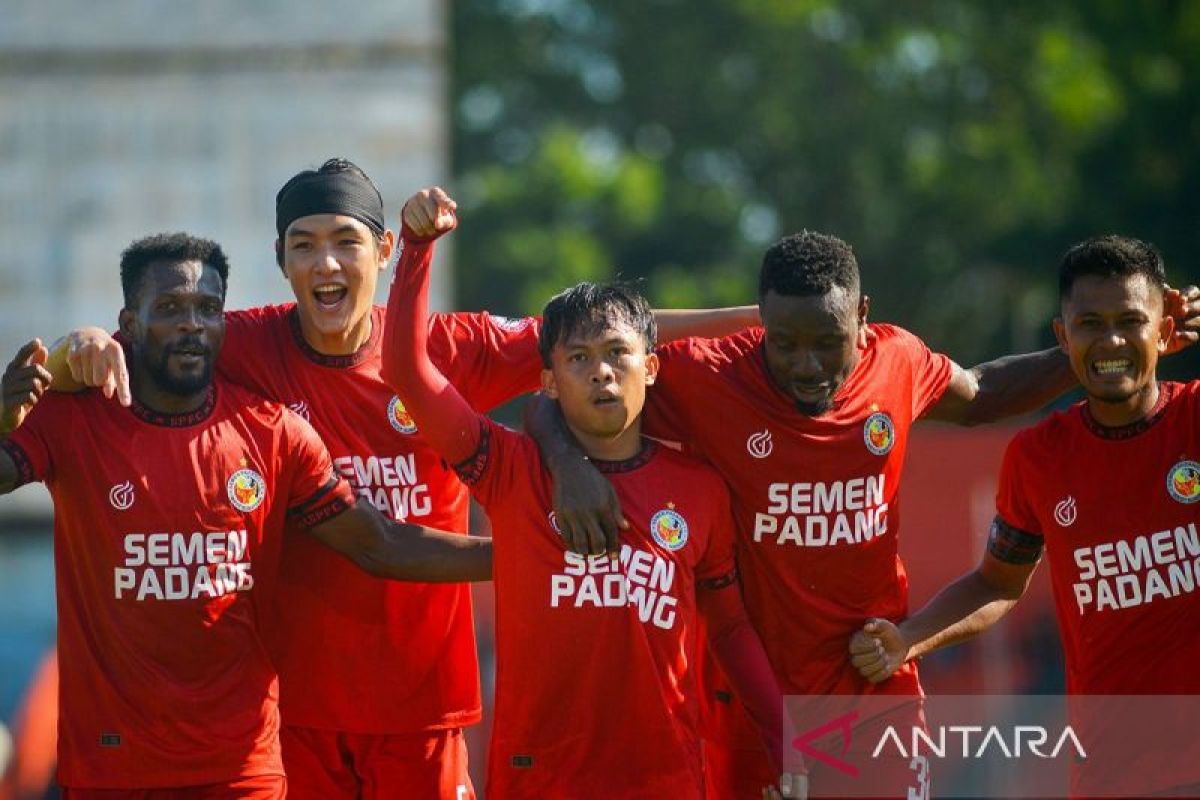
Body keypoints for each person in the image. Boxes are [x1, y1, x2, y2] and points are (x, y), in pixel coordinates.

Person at [51, 159, 761, 799]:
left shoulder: (450, 347)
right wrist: (73, 346)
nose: (326, 261)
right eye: (304, 245)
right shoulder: (241, 346)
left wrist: (767, 323)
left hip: (426, 704)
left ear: (384, 252)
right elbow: (143, 341)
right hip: (296, 709)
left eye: (346, 241)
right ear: (282, 261)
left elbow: (601, 341)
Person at [529, 229, 1200, 799]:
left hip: (873, 686)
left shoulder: (897, 360)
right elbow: (549, 381)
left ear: (863, 320)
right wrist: (567, 463)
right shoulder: (705, 376)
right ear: (760, 323)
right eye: (784, 341)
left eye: (827, 341)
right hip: (748, 702)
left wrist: (1104, 348)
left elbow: (986, 391)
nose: (806, 364)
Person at [0, 233, 492, 798]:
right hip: (113, 766)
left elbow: (378, 542)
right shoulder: (77, 418)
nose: (192, 324)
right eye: (168, 309)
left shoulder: (273, 433)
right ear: (128, 325)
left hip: (243, 769)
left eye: (207, 309)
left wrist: (524, 554)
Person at [379, 187, 804, 799]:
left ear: (652, 367)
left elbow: (730, 627)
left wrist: (786, 740)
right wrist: (416, 250)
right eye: (578, 357)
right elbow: (407, 373)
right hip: (540, 780)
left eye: (616, 354)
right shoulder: (509, 469)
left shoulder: (702, 490)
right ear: (547, 380)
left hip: (667, 777)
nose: (601, 371)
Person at [847, 235, 1200, 798]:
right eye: (1090, 323)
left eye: (1131, 321)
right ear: (1063, 338)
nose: (1111, 340)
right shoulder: (1039, 457)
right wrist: (907, 639)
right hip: (1113, 771)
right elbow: (997, 582)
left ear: (1163, 330)